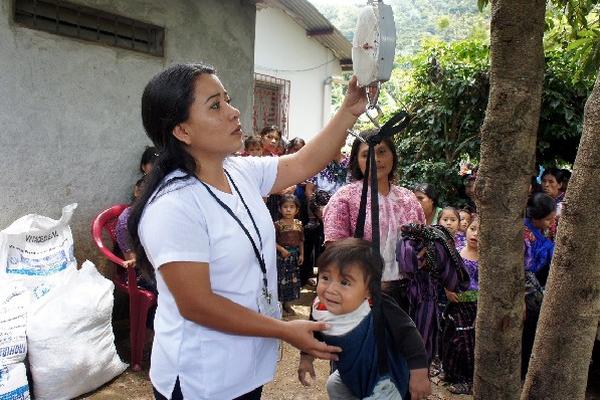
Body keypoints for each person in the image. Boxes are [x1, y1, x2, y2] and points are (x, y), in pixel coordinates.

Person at [128, 63, 367, 400]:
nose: (233, 111)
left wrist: (349, 110)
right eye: (215, 105)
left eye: (227, 99)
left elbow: (303, 162)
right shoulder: (173, 206)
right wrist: (284, 330)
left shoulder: (238, 171)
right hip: (202, 378)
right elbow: (197, 305)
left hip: (245, 367)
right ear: (182, 131)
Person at [297, 238, 431, 400]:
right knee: (334, 385)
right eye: (325, 278)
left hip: (384, 381)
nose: (331, 289)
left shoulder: (379, 305)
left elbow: (408, 334)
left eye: (344, 282)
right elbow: (314, 333)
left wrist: (419, 374)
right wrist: (306, 357)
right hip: (352, 374)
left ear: (369, 290)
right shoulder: (321, 307)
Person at [323, 132, 426, 311]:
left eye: (382, 152)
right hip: (361, 295)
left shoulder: (408, 198)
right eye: (366, 154)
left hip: (407, 293)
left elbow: (422, 240)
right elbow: (334, 250)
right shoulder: (344, 198)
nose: (376, 159)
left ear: (393, 155)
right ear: (356, 161)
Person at [441, 215, 480, 395]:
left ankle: (467, 380)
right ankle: (451, 373)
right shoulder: (456, 251)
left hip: (474, 307)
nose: (475, 234)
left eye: (480, 232)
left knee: (467, 343)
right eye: (472, 229)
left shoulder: (486, 259)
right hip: (455, 305)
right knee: (451, 340)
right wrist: (447, 291)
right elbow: (444, 273)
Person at [522, 193, 556, 377]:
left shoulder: (538, 232)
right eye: (548, 219)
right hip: (526, 290)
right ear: (536, 217)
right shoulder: (527, 236)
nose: (551, 223)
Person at [275, 194, 304, 316]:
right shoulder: (277, 225)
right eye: (285, 207)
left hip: (294, 257)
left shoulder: (298, 224)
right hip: (281, 258)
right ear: (279, 209)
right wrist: (281, 249)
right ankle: (279, 305)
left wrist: (302, 254)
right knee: (281, 280)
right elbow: (271, 241)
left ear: (297, 210)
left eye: (291, 207)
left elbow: (301, 240)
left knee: (291, 281)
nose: (288, 210)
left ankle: (287, 304)